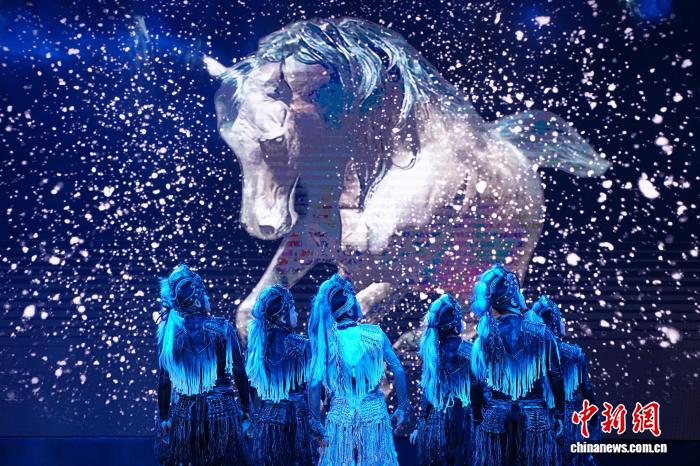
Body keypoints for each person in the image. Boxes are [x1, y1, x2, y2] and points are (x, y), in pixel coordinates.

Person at [307, 273, 410, 465]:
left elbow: (314, 385)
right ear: (349, 306)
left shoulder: (326, 341)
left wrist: (315, 424)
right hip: (374, 414)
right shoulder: (375, 334)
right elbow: (399, 370)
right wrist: (403, 408)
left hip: (341, 417)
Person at [470, 264, 565, 466]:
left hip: (496, 419)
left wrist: (477, 417)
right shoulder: (542, 333)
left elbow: (476, 383)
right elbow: (556, 376)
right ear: (513, 296)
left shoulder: (484, 337)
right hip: (536, 420)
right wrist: (559, 413)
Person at [155, 264, 250, 466]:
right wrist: (246, 409)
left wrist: (164, 417)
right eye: (204, 293)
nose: (208, 297)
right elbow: (239, 370)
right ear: (197, 299)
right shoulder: (222, 327)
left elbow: (164, 381)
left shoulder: (170, 334)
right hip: (221, 412)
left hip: (185, 415)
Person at [246, 284, 315, 465]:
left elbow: (252, 388)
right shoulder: (302, 345)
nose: (297, 314)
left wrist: (252, 417)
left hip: (267, 416)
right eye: (293, 310)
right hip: (297, 417)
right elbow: (313, 386)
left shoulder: (258, 346)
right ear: (282, 315)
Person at [529, 295, 597, 465]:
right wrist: (594, 418)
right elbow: (587, 390)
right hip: (568, 417)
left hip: (539, 418)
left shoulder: (531, 356)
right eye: (560, 317)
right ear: (555, 321)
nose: (563, 322)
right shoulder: (574, 353)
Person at [410, 294, 473, 465]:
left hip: (434, 425)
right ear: (458, 323)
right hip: (461, 424)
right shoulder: (470, 351)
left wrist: (420, 425)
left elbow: (427, 395)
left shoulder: (432, 352)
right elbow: (480, 390)